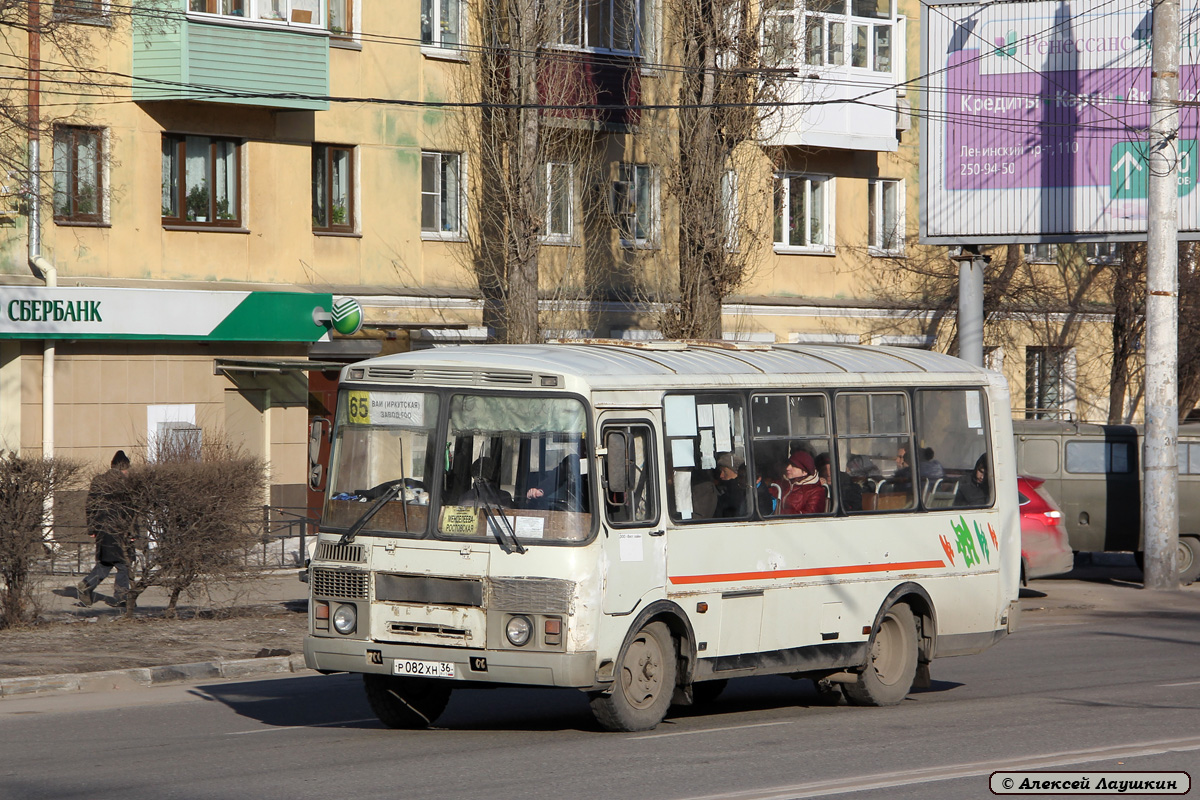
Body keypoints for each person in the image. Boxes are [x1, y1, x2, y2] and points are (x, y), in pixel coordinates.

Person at [76, 450, 132, 607]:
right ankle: (122, 597)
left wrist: (92, 528)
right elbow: (130, 510)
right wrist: (132, 532)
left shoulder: (98, 481)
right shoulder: (125, 483)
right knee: (123, 564)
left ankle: (86, 586)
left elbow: (90, 505)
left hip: (102, 529)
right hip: (119, 529)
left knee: (105, 562)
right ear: (124, 467)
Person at [778, 450, 826, 515]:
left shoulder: (817, 492)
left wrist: (779, 513)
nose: (787, 468)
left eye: (793, 466)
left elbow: (808, 516)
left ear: (804, 472)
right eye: (788, 464)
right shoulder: (784, 483)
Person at [713, 452, 748, 518]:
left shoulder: (738, 493)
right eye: (720, 472)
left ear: (737, 472)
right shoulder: (724, 490)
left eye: (725, 472)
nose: (721, 475)